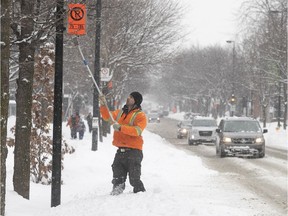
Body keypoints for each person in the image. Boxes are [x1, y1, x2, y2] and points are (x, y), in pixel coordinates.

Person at [99, 92, 147, 195]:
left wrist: (121, 128)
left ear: (136, 101)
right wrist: (103, 105)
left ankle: (140, 194)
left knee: (134, 179)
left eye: (131, 97)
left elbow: (137, 131)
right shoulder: (120, 112)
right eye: (128, 96)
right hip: (120, 151)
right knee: (117, 176)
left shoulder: (140, 116)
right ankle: (116, 192)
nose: (128, 98)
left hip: (134, 151)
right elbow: (107, 116)